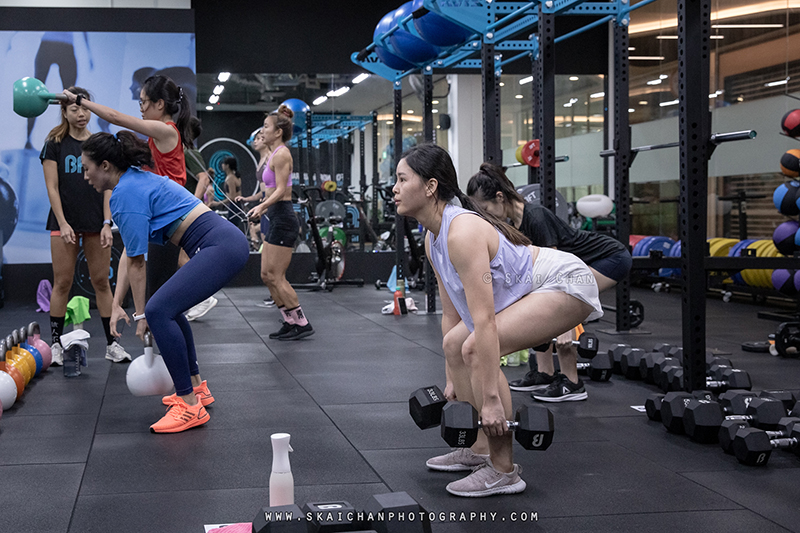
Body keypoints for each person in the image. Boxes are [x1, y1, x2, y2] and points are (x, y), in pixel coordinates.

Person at [395, 144, 602, 497]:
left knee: (476, 346)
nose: (395, 188)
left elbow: (484, 322)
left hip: (563, 280)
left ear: (430, 186)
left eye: (402, 179)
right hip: (529, 286)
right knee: (454, 345)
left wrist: (490, 399)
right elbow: (451, 314)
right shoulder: (433, 237)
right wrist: (451, 376)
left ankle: (504, 469)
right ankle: (478, 449)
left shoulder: (461, 231)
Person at [80, 130, 249, 433]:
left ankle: (189, 406)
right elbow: (130, 255)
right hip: (222, 242)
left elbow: (137, 263)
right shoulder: (133, 180)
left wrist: (143, 314)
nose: (85, 176)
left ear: (104, 165)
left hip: (219, 245)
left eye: (86, 168)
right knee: (169, 308)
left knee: (158, 311)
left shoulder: (124, 194)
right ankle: (196, 389)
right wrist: (119, 304)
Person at [467, 163, 632, 402]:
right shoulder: (514, 224)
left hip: (609, 258)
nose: (486, 216)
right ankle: (545, 372)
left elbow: (558, 278)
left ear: (500, 198)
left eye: (485, 209)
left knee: (562, 312)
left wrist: (565, 326)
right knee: (534, 302)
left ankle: (572, 383)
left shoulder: (536, 217)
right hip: (573, 269)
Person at [63, 74, 192, 312]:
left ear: (159, 104)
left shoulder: (167, 131)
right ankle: (145, 333)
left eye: (143, 102)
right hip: (161, 217)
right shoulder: (157, 138)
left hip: (171, 218)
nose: (141, 108)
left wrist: (80, 101)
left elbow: (116, 117)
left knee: (159, 302)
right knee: (154, 292)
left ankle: (159, 342)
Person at [40, 86, 131, 365]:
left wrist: (107, 223)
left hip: (95, 221)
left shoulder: (98, 143)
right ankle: (55, 344)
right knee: (63, 283)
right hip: (63, 222)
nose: (81, 113)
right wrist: (64, 223)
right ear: (64, 112)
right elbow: (52, 188)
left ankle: (112, 344)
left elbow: (107, 188)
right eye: (74, 109)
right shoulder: (54, 142)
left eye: (84, 108)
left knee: (102, 282)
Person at [245, 106, 313, 340]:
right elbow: (269, 190)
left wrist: (262, 206)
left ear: (279, 132)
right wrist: (260, 206)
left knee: (277, 276)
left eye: (266, 126)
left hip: (284, 218)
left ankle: (302, 322)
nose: (262, 131)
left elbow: (282, 190)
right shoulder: (272, 154)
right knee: (266, 275)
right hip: (274, 216)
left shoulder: (283, 154)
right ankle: (289, 320)